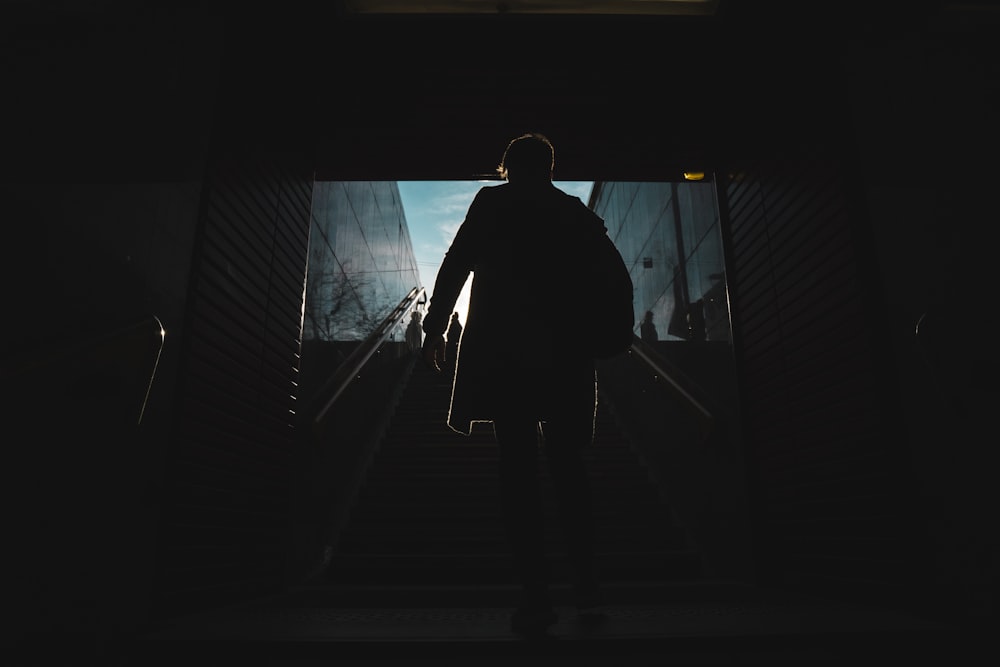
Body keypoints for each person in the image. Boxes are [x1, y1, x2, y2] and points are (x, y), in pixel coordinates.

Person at [422, 132, 628, 637]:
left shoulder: (493, 204)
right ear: (550, 168)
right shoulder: (573, 212)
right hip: (565, 357)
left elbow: (456, 262)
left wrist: (435, 328)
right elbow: (614, 276)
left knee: (517, 470)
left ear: (507, 167)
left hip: (504, 355)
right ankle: (586, 588)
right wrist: (609, 335)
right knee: (568, 469)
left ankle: (535, 596)